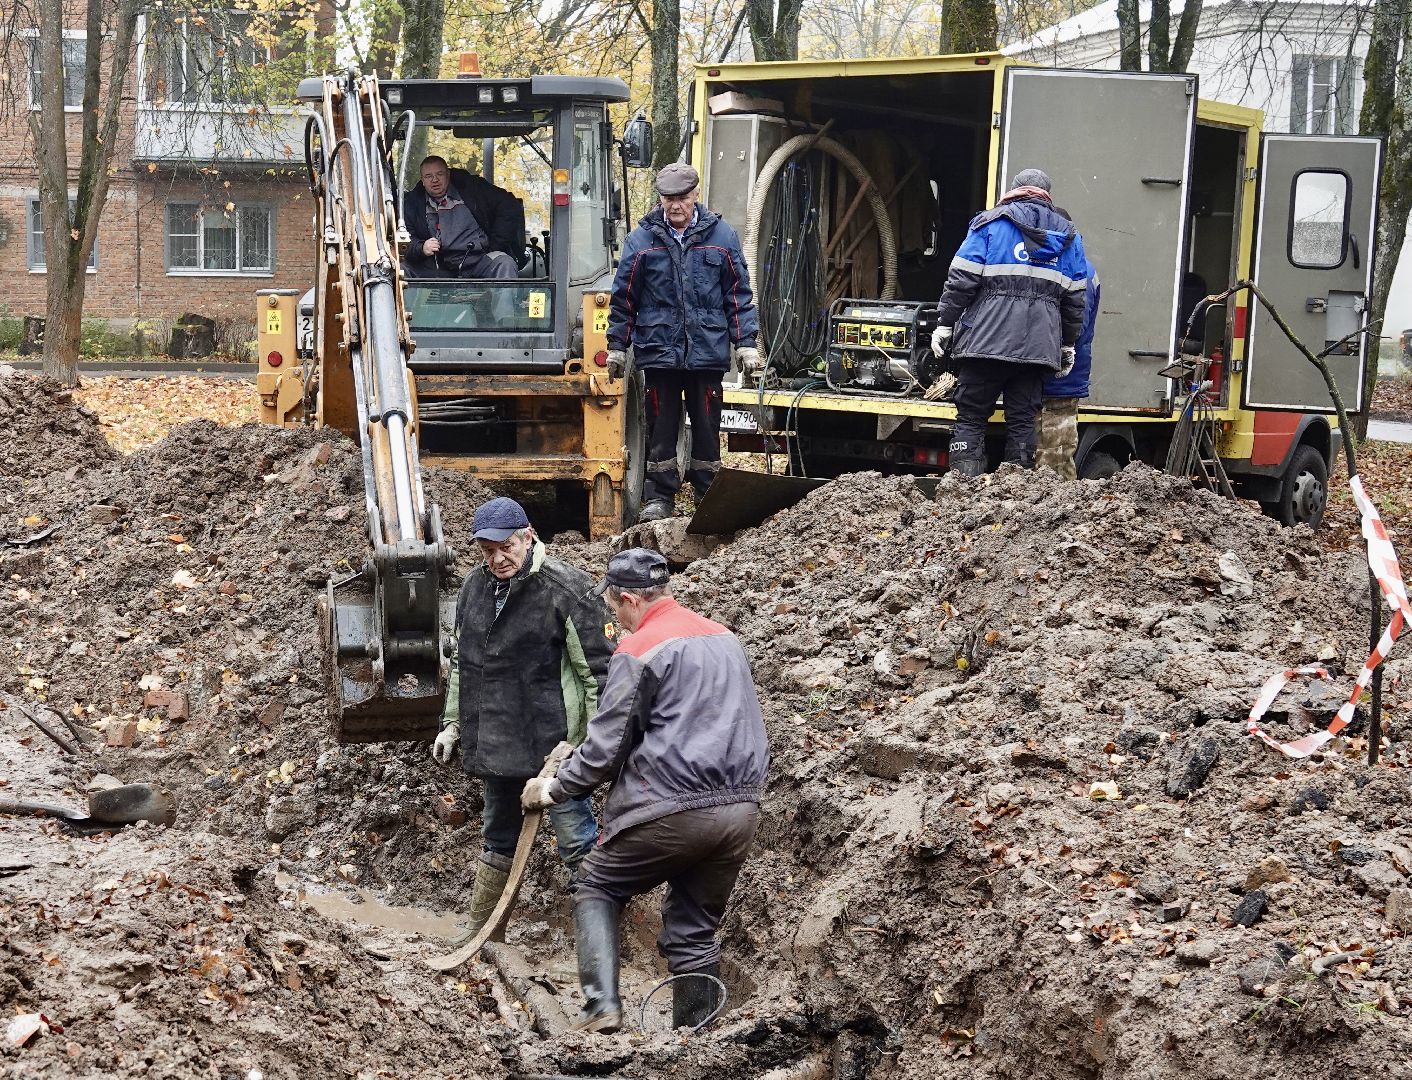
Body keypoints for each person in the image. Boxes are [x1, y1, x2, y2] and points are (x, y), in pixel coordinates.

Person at [520, 548, 769, 1033]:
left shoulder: (640, 649)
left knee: (596, 886)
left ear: (630, 599)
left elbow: (607, 748)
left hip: (671, 808)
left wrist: (556, 789)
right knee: (694, 931)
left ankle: (601, 1010)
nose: (615, 617)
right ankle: (698, 1038)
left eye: (614, 607)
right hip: (740, 808)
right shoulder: (724, 637)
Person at [431, 496, 614, 942]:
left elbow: (600, 675)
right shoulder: (474, 589)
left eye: (505, 546)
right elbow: (464, 665)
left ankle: (601, 947)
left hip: (556, 747)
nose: (497, 558)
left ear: (528, 535)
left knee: (576, 843)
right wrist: (453, 723)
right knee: (498, 838)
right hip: (498, 739)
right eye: (487, 550)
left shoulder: (566, 589)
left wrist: (590, 744)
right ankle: (482, 936)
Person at [606, 163, 761, 522]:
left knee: (707, 426)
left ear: (695, 196)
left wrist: (746, 343)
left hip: (706, 351)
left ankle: (708, 496)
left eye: (682, 198)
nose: (676, 206)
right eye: (669, 199)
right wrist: (617, 344)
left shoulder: (722, 237)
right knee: (660, 425)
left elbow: (737, 294)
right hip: (659, 351)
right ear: (661, 199)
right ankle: (659, 498)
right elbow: (624, 297)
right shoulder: (641, 240)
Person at [931, 168, 1090, 477]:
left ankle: (963, 491)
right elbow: (1075, 300)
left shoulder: (990, 225)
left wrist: (945, 324)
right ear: (1047, 194)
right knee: (1022, 421)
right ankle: (1014, 501)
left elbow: (960, 280)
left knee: (972, 418)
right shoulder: (1069, 237)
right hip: (1037, 351)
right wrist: (1067, 344)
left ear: (1015, 189)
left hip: (984, 343)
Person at [403, 155, 523, 279]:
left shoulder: (473, 189)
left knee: (504, 263)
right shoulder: (411, 204)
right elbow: (404, 240)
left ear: (448, 174)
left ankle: (503, 299)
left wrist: (495, 245)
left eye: (440, 174)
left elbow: (510, 205)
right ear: (422, 180)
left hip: (479, 260)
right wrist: (421, 247)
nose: (435, 180)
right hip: (437, 266)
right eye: (428, 176)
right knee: (402, 270)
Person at [1036, 261, 1100, 480]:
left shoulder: (1078, 272)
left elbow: (1075, 328)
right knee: (1050, 461)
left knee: (1055, 463)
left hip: (1060, 383)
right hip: (1050, 382)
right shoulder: (1081, 270)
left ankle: (1061, 511)